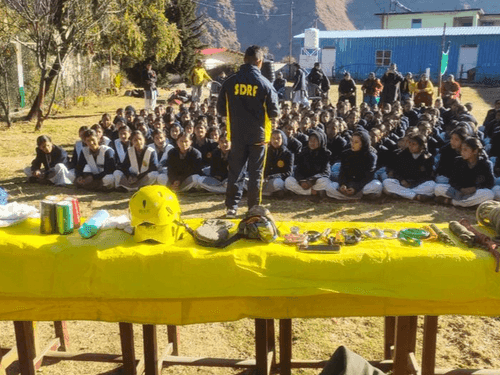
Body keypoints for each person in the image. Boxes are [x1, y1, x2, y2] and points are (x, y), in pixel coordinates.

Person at [216, 45, 280, 218]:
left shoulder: (229, 82)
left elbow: (221, 110)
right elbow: (274, 112)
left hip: (236, 135)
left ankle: (231, 208)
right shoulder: (265, 84)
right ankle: (254, 208)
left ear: (244, 60)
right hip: (258, 136)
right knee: (256, 174)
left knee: (235, 172)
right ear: (260, 61)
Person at [435, 137, 494, 207]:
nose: (462, 152)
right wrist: (461, 189)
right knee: (438, 188)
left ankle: (451, 202)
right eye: (461, 149)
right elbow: (452, 181)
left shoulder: (485, 164)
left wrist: (474, 188)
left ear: (475, 151)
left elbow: (490, 183)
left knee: (489, 194)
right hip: (459, 191)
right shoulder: (458, 161)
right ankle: (470, 203)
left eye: (465, 150)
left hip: (475, 192)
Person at [325, 130, 382, 200]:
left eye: (356, 142)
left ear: (363, 143)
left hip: (362, 183)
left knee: (377, 185)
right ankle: (359, 197)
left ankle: (346, 197)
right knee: (330, 187)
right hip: (348, 182)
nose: (352, 144)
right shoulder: (346, 154)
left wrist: (355, 188)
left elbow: (368, 176)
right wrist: (343, 185)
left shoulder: (371, 156)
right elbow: (343, 172)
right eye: (352, 141)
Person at [383, 134, 436, 201]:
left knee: (432, 185)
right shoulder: (402, 154)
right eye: (409, 143)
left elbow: (427, 176)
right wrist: (402, 180)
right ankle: (415, 196)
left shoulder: (428, 157)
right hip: (403, 183)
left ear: (421, 146)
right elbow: (396, 171)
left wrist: (413, 184)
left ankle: (403, 195)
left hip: (418, 184)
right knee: (387, 182)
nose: (410, 146)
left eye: (414, 144)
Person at [285, 130, 331, 196]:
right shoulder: (303, 152)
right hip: (304, 182)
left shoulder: (325, 154)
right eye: (310, 140)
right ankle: (312, 192)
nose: (312, 142)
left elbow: (325, 173)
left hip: (315, 181)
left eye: (315, 140)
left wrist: (311, 180)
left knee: (325, 181)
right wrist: (301, 181)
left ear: (320, 142)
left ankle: (299, 192)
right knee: (288, 180)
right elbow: (298, 170)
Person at [262, 129, 294, 197]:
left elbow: (288, 173)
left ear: (283, 139)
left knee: (278, 183)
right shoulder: (266, 152)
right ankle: (269, 193)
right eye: (273, 138)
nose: (275, 141)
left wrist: (271, 177)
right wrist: (262, 177)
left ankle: (268, 192)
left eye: (278, 138)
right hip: (265, 180)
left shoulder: (288, 154)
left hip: (278, 179)